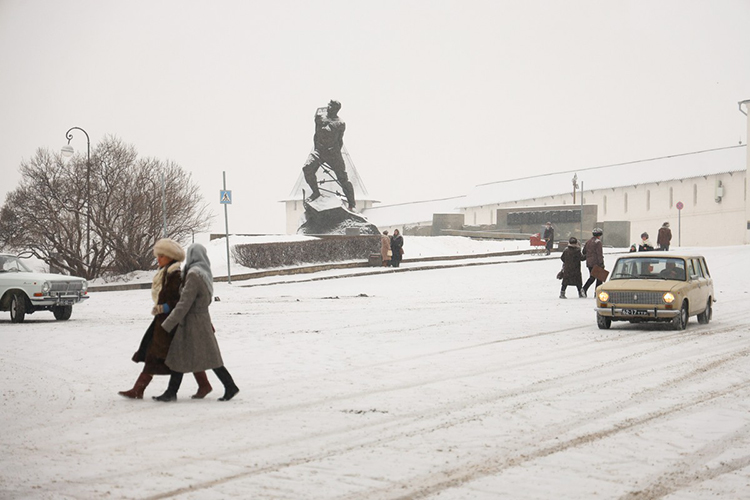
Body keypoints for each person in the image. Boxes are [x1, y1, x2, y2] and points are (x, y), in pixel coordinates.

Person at [119, 239, 212, 400]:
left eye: (162, 256)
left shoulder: (175, 275)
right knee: (178, 353)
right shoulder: (166, 272)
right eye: (158, 255)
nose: (158, 259)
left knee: (156, 354)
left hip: (171, 321)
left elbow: (180, 300)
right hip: (163, 319)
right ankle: (203, 385)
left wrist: (164, 308)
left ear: (170, 257)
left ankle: (139, 389)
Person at [153, 244, 240, 402]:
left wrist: (169, 322)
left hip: (192, 322)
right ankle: (172, 392)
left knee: (193, 356)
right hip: (201, 320)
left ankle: (229, 386)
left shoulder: (193, 275)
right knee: (184, 356)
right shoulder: (204, 272)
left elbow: (184, 302)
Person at [302, 100, 356, 210]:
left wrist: (335, 153)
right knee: (307, 168)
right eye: (329, 104)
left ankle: (352, 204)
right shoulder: (319, 117)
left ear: (336, 109)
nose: (328, 107)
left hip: (333, 152)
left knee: (343, 178)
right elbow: (315, 134)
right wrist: (317, 148)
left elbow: (340, 140)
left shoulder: (340, 123)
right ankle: (315, 192)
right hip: (319, 151)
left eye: (331, 106)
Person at [581, 228, 604, 297]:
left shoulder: (588, 242)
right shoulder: (598, 242)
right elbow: (599, 254)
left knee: (592, 277)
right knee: (599, 278)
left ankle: (584, 289)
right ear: (599, 235)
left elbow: (584, 252)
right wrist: (601, 263)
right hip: (596, 263)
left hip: (589, 263)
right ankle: (597, 292)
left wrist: (589, 255)